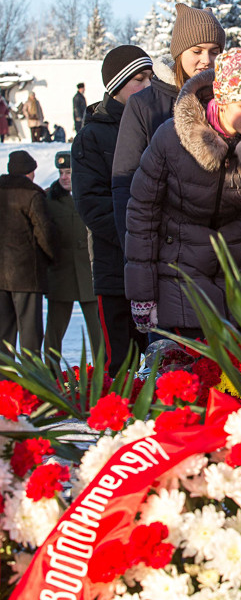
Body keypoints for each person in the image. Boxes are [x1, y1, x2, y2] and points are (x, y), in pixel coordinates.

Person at [125, 50, 241, 335]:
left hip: (234, 279)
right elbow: (143, 213)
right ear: (221, 100)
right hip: (177, 274)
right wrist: (142, 293)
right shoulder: (171, 139)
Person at [112, 3, 225, 249]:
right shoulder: (144, 104)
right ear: (179, 52)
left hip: (220, 247)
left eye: (214, 51)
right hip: (165, 247)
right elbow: (125, 183)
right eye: (197, 51)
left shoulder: (227, 103)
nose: (206, 60)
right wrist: (136, 252)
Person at [71, 46, 153, 377]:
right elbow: (91, 204)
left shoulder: (158, 126)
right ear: (116, 85)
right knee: (121, 367)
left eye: (151, 78)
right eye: (139, 79)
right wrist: (136, 236)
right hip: (115, 269)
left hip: (157, 270)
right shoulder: (92, 136)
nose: (148, 86)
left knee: (165, 365)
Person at [44, 151, 102, 368]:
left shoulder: (90, 194)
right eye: (61, 173)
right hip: (61, 272)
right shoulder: (50, 199)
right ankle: (51, 372)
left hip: (88, 271)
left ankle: (102, 371)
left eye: (68, 172)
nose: (64, 177)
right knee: (54, 330)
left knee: (97, 329)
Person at [0, 150, 55, 354]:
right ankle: (31, 372)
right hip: (26, 275)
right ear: (30, 172)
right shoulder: (32, 195)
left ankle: (4, 373)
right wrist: (51, 257)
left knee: (3, 334)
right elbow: (44, 232)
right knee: (30, 334)